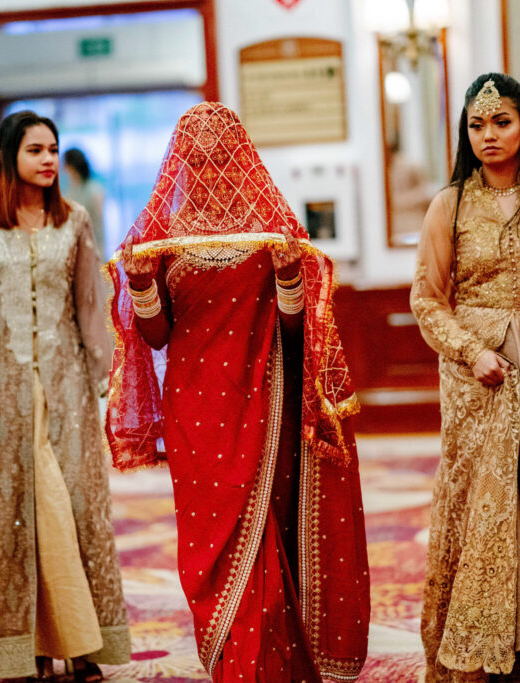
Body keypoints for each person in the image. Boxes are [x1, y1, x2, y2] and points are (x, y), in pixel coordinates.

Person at [108, 101, 371, 682]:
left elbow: (298, 328)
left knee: (262, 534)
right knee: (210, 542)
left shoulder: (270, 231)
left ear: (239, 157)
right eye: (195, 162)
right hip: (193, 409)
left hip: (261, 404)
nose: (207, 171)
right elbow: (156, 336)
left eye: (218, 158)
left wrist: (286, 274)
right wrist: (143, 284)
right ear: (179, 165)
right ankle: (231, 658)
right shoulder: (163, 241)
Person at [410, 73, 520, 681]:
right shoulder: (451, 203)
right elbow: (426, 298)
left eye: (502, 122)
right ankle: (482, 657)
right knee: (479, 508)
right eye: (476, 125)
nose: (489, 135)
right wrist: (470, 351)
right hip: (477, 377)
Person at [0, 111, 129, 682]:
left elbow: (88, 306)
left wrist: (106, 382)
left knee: (69, 506)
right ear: (9, 158)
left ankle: (82, 644)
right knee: (15, 516)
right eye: (35, 150)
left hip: (67, 387)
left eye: (54, 149)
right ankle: (22, 645)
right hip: (2, 389)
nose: (49, 159)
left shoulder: (73, 219)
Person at [63, 148, 106, 260]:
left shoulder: (95, 190)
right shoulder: (68, 191)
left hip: (93, 250)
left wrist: (100, 254)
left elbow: (99, 227)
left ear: (70, 166)